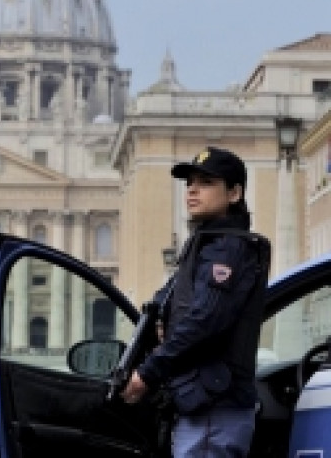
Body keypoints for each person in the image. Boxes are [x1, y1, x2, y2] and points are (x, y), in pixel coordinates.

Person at [121, 146, 271, 458]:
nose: (192, 190)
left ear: (234, 193)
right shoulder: (207, 244)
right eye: (189, 183)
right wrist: (161, 321)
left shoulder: (227, 248)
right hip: (204, 404)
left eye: (206, 183)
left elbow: (205, 319)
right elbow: (169, 303)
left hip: (214, 408)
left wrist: (148, 373)